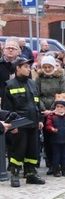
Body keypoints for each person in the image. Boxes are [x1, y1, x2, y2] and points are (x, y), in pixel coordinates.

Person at [3, 56, 45, 187]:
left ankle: (31, 174)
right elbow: (6, 109)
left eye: (29, 67)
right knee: (18, 151)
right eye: (26, 67)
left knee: (33, 150)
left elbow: (37, 103)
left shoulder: (33, 84)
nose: (28, 69)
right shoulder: (9, 85)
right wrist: (11, 125)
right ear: (18, 68)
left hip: (33, 123)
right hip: (19, 125)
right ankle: (15, 175)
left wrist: (40, 120)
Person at [36, 54, 65, 174]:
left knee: (58, 138)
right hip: (44, 111)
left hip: (57, 110)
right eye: (45, 67)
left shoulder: (60, 77)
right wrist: (44, 109)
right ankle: (51, 163)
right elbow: (37, 95)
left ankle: (62, 164)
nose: (47, 69)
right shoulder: (39, 78)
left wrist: (54, 108)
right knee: (47, 139)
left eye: (49, 67)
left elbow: (63, 93)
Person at [44, 99, 65, 177]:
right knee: (56, 156)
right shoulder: (51, 116)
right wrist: (51, 129)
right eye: (57, 106)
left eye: (61, 107)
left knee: (64, 156)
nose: (59, 108)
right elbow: (48, 125)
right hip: (55, 140)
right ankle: (56, 170)